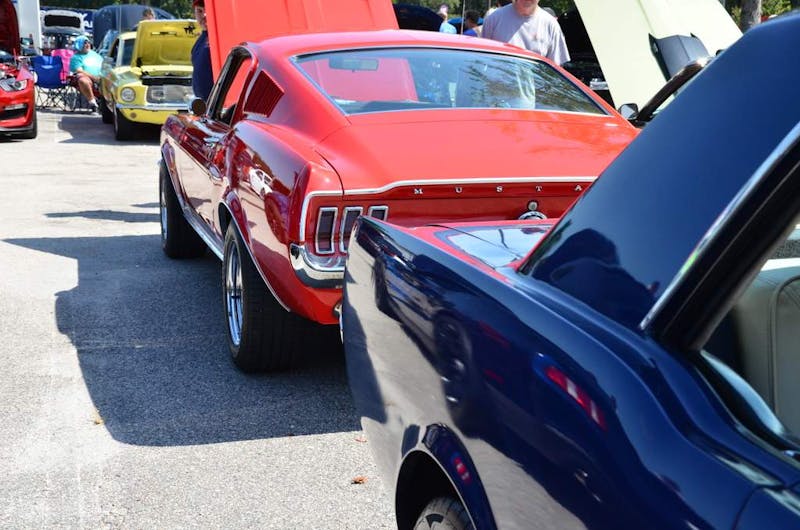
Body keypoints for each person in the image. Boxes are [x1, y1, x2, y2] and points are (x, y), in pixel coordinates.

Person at [482, 0, 570, 65]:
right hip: (497, 88)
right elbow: (481, 61)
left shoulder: (551, 25)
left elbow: (556, 70)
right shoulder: (493, 19)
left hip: (535, 89)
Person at [69, 35, 102, 112]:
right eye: (85, 43)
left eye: (88, 42)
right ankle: (93, 102)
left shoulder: (95, 54)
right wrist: (94, 78)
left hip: (101, 77)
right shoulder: (76, 57)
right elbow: (79, 71)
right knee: (82, 79)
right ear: (79, 45)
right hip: (87, 78)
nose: (88, 45)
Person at [191, 0, 213, 101]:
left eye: (208, 9)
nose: (204, 14)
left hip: (219, 107)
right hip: (205, 107)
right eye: (199, 11)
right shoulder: (201, 40)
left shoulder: (219, 38)